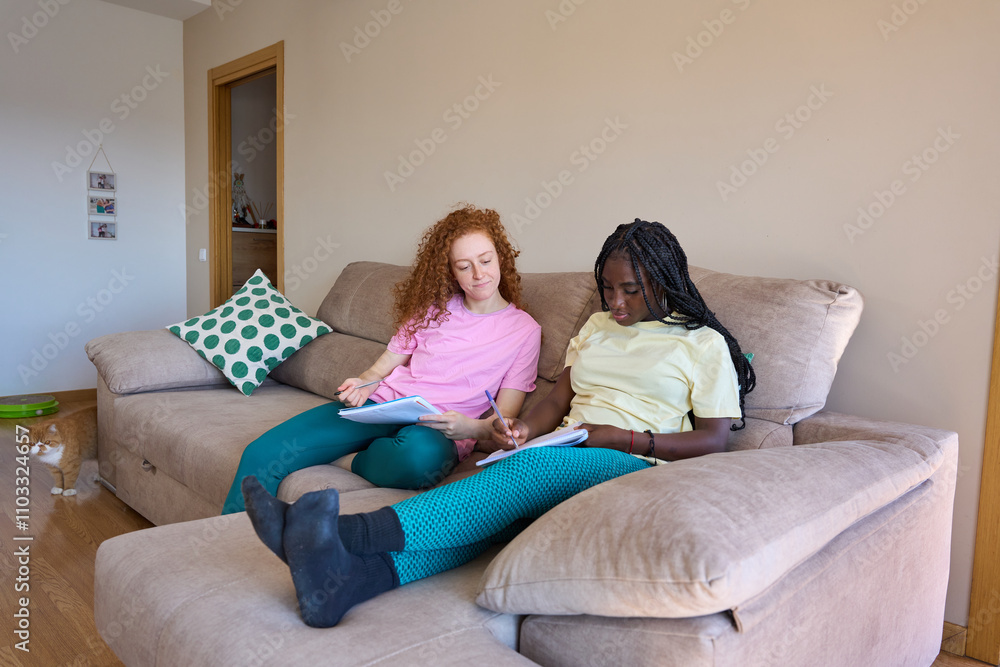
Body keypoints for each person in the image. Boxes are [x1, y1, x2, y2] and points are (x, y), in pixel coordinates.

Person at [240, 219, 756, 627]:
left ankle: (338, 533)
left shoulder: (701, 344)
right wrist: (526, 430)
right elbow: (558, 396)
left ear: (662, 283)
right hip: (566, 447)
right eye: (607, 289)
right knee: (492, 512)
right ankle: (345, 587)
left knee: (518, 476)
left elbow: (714, 440)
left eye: (630, 291)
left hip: (632, 460)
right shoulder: (597, 327)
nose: (616, 304)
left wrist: (622, 437)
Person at [221, 205, 542, 514]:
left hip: (437, 430)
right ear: (451, 272)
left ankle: (349, 460)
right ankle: (225, 550)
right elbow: (386, 362)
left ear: (500, 256)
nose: (478, 274)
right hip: (381, 405)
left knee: (419, 460)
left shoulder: (525, 331)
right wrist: (364, 381)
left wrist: (470, 427)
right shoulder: (436, 308)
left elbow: (504, 423)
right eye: (464, 266)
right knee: (261, 453)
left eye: (485, 260)